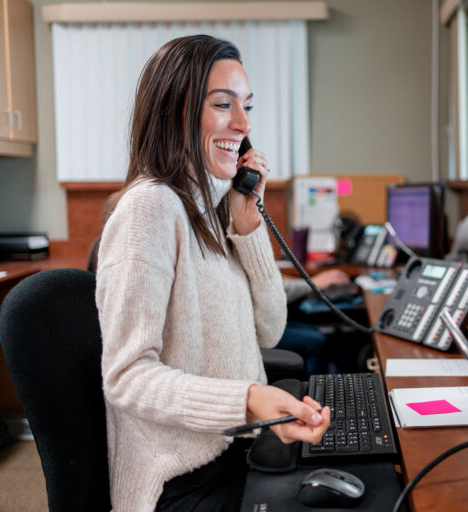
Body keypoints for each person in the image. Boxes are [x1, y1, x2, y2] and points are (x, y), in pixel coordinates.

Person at [95, 35, 329, 512]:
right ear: (175, 111)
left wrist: (248, 227)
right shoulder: (149, 209)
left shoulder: (211, 210)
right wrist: (247, 399)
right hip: (178, 481)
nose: (242, 126)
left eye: (247, 107)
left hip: (231, 449)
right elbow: (125, 376)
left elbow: (269, 330)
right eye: (223, 105)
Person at [279, 269, 351, 375]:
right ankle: (315, 388)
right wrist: (312, 283)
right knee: (316, 341)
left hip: (267, 324)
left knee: (314, 330)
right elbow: (271, 291)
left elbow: (275, 277)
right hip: (255, 334)